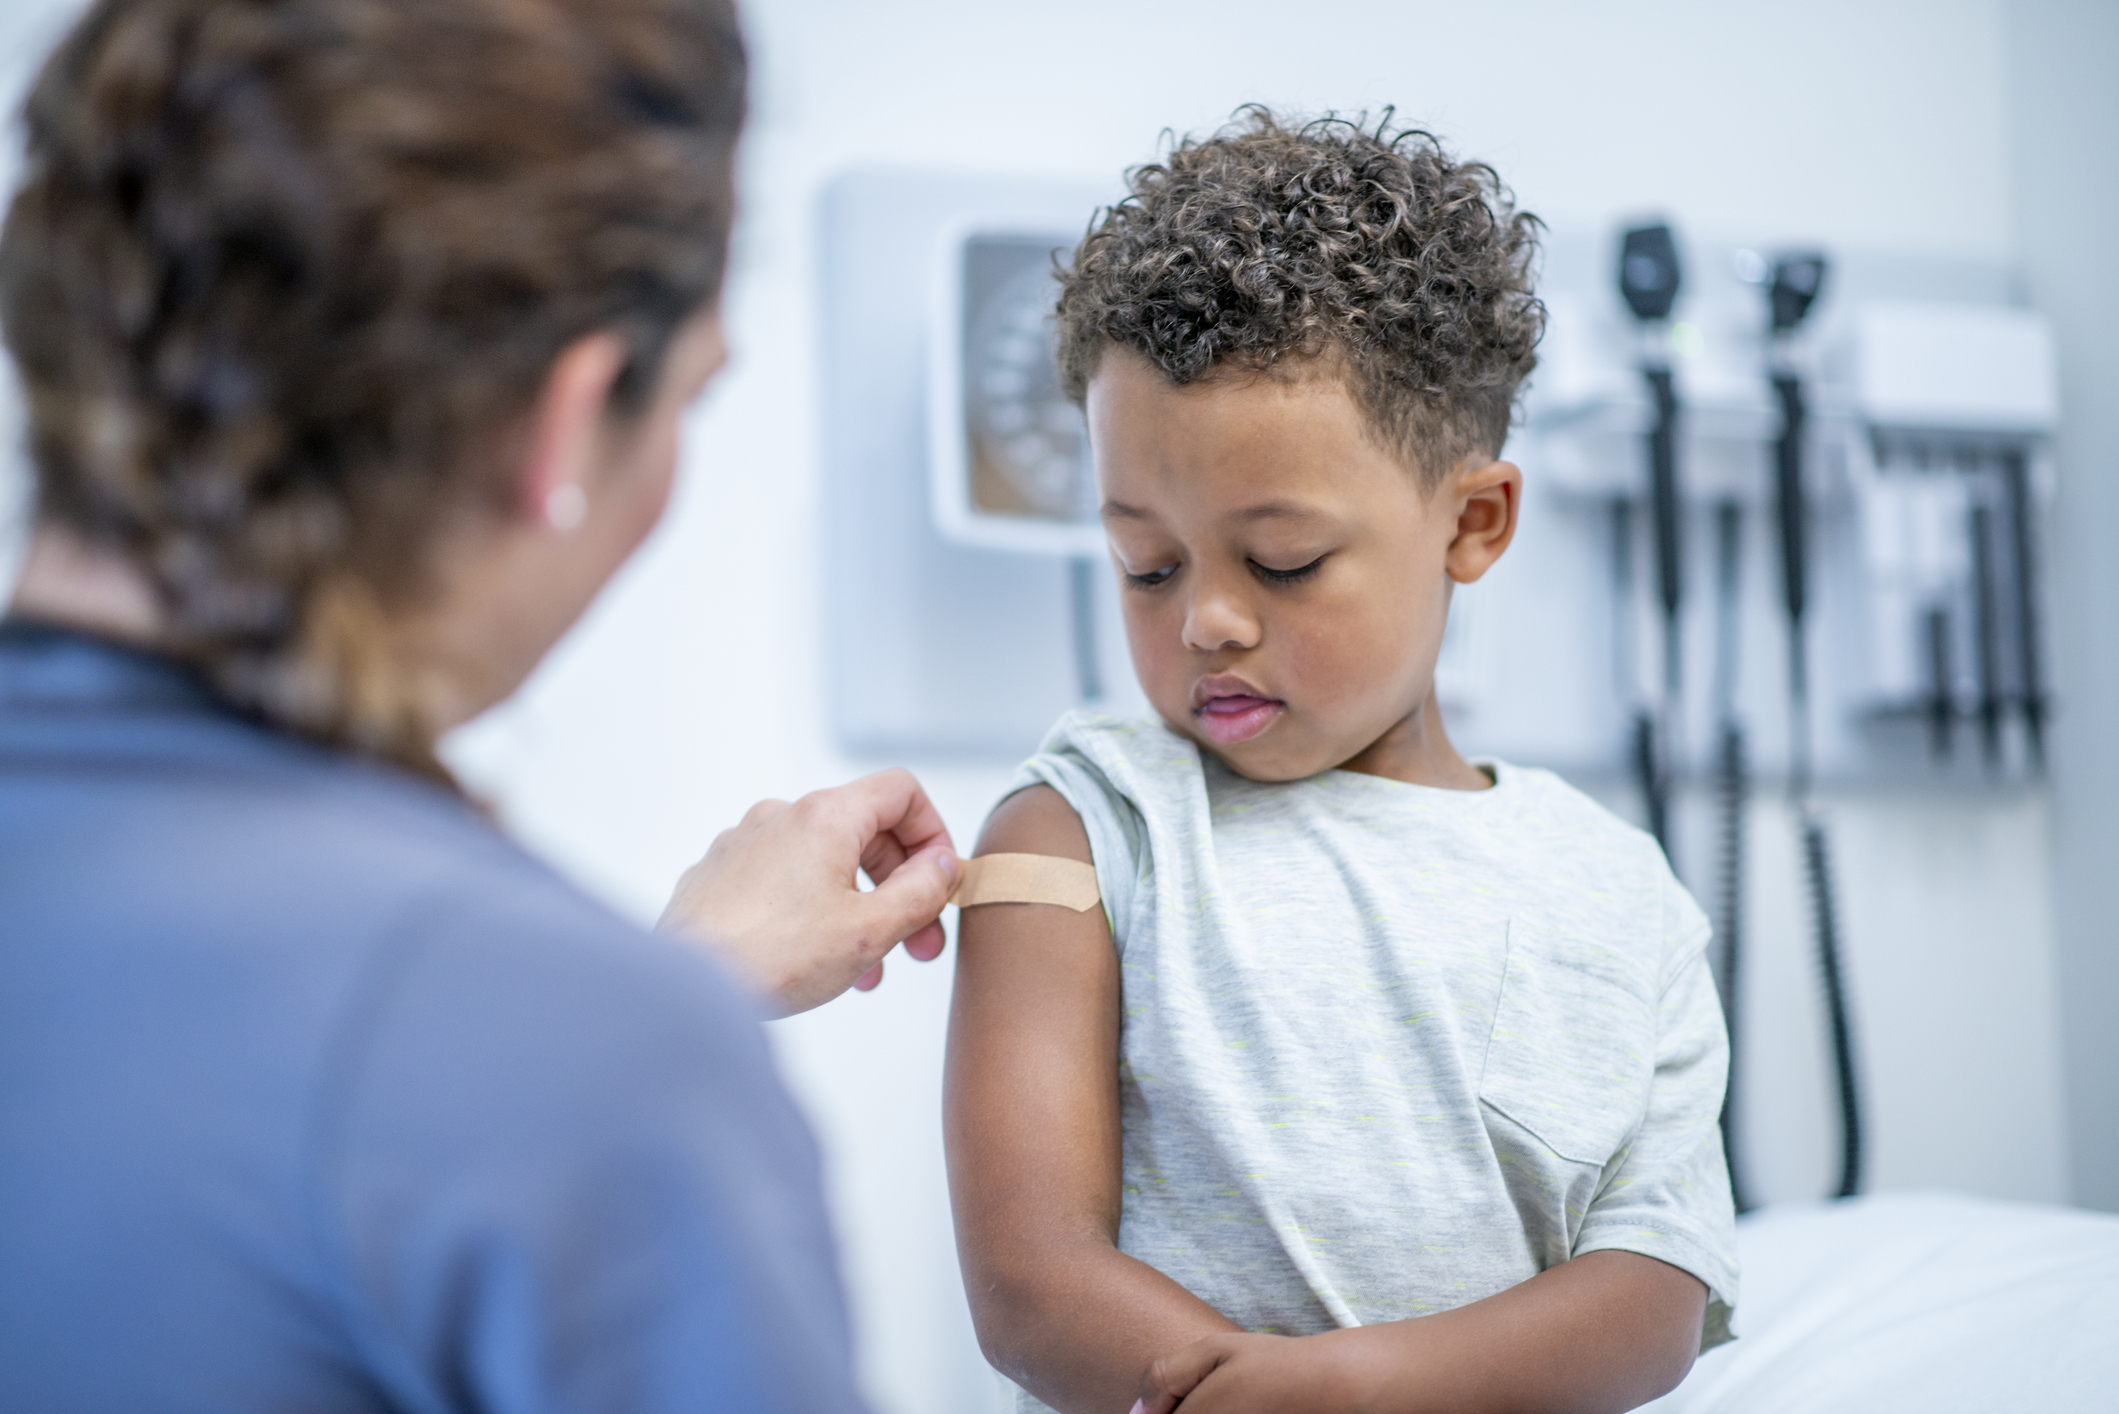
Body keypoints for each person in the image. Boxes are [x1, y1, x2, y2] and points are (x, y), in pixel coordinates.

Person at [0, 1, 959, 1408]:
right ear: (569, 420)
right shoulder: (573, 1063)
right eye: (690, 398)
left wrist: (659, 991)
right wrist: (617, 1039)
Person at [944, 111, 1738, 1414]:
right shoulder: (1073, 834)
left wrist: (1359, 1387)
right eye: (1146, 562)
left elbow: (1656, 1282)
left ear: (1471, 522)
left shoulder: (1618, 897)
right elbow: (1032, 1279)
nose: (1205, 618)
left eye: (1283, 560)